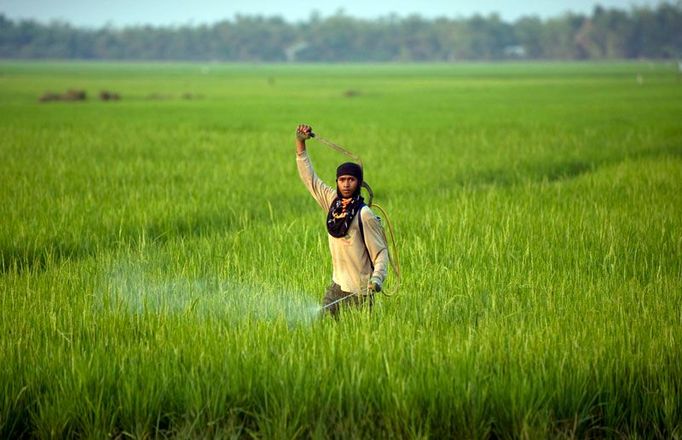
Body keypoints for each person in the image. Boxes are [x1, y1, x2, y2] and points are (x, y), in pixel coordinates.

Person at [295, 124, 389, 317]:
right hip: (337, 286)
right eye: (342, 179)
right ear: (337, 182)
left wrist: (377, 279)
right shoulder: (332, 202)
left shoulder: (364, 214)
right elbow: (310, 179)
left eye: (351, 180)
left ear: (358, 183)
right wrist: (300, 144)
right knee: (323, 325)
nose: (346, 184)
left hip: (361, 292)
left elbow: (381, 252)